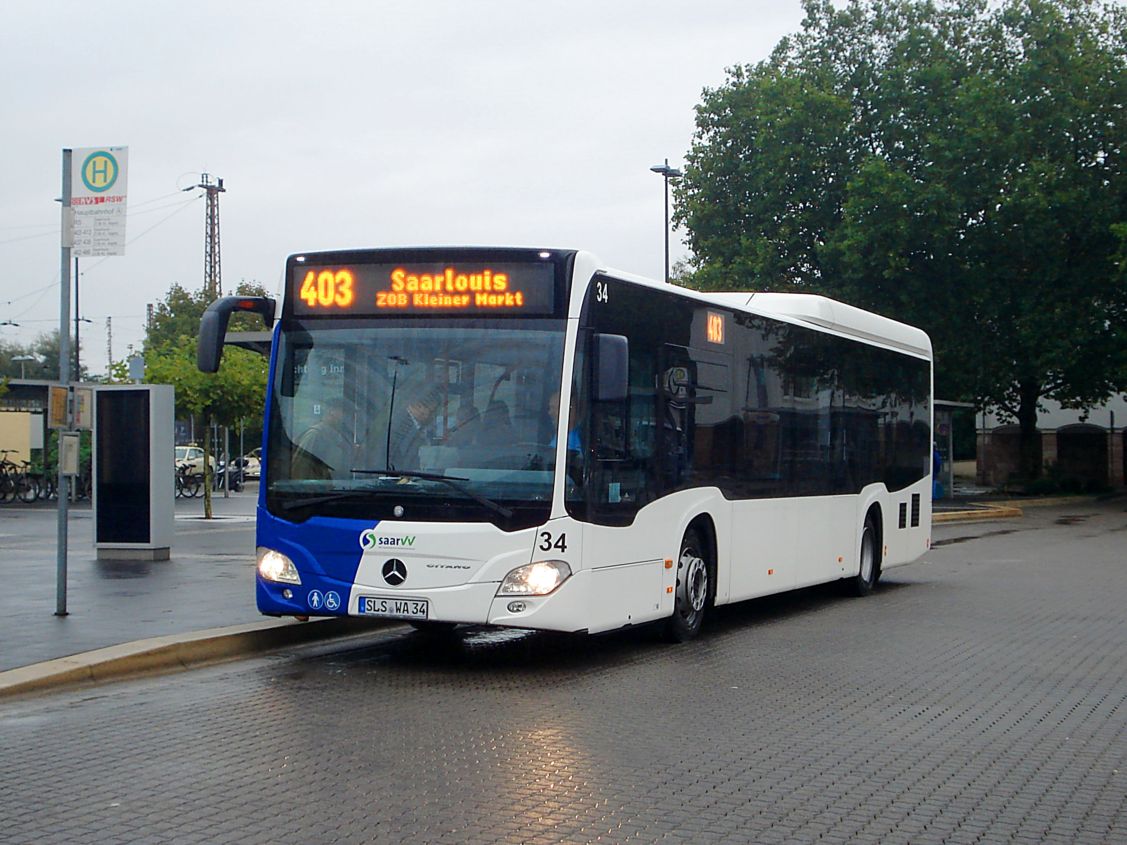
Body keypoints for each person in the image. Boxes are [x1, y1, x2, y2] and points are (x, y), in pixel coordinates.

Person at [291, 397, 354, 480]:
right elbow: (299, 468)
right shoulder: (315, 434)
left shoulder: (336, 436)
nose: (348, 417)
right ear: (331, 411)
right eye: (345, 412)